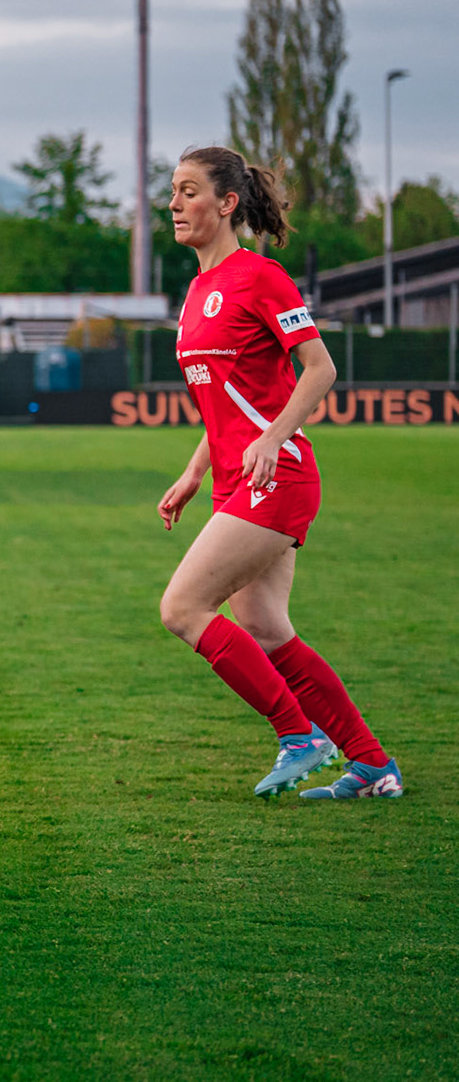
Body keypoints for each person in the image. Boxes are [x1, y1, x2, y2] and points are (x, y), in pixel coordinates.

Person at [155, 146, 402, 801]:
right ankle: (374, 766)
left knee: (182, 608)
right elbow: (226, 403)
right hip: (237, 481)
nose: (173, 205)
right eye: (173, 193)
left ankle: (300, 736)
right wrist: (192, 471)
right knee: (266, 632)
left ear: (227, 203)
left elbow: (319, 369)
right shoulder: (198, 290)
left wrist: (273, 436)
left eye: (188, 192)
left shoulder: (260, 276)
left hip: (278, 477)